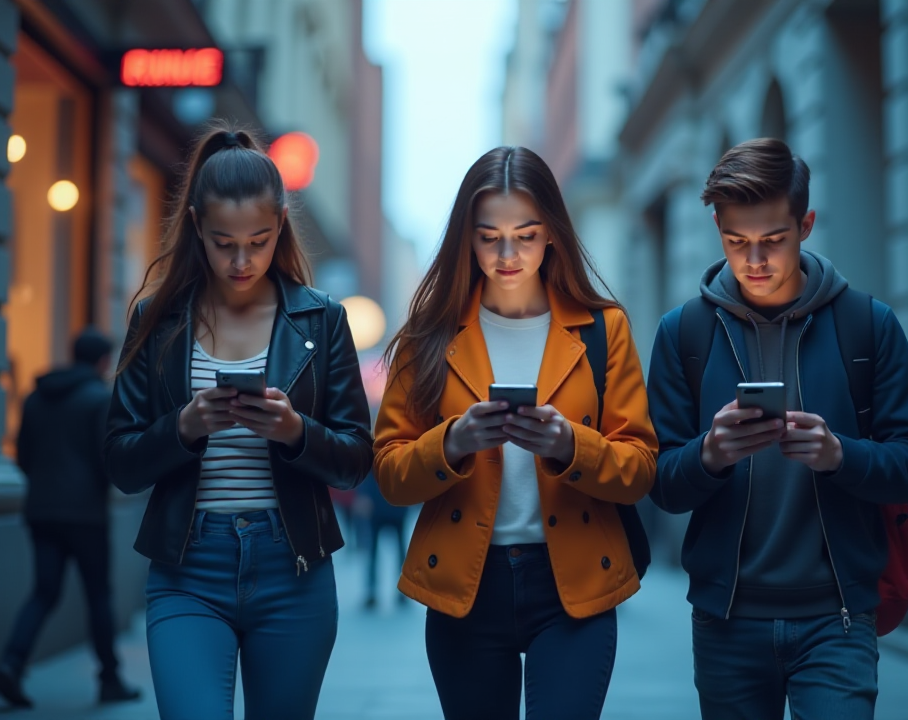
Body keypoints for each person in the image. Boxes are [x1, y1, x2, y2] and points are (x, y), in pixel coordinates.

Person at [646, 138, 908, 720]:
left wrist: (840, 455)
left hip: (838, 619)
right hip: (726, 620)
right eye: (736, 242)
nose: (755, 260)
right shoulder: (684, 334)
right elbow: (657, 482)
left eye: (773, 241)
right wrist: (709, 455)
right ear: (717, 227)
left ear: (805, 225)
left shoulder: (867, 325)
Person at [373, 146, 658, 720]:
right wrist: (451, 442)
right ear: (466, 238)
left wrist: (568, 445)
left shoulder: (604, 328)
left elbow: (641, 468)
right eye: (489, 237)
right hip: (465, 588)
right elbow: (389, 474)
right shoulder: (429, 333)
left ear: (552, 233)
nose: (507, 254)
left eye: (525, 235)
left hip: (573, 583)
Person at [104, 123, 373, 720]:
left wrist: (295, 432)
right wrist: (185, 425)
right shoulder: (159, 320)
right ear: (197, 225)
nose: (243, 260)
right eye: (224, 242)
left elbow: (358, 457)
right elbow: (120, 461)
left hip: (293, 568)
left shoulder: (321, 319)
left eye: (259, 239)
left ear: (280, 222)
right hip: (187, 567)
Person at [0, 328, 141, 708]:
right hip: (84, 513)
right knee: (98, 595)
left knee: (44, 591)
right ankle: (109, 679)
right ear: (103, 360)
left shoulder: (34, 398)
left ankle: (11, 663)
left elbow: (23, 455)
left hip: (40, 509)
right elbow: (102, 457)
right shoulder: (96, 399)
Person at [351, 469, 409, 609]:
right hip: (386, 506)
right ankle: (375, 591)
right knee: (382, 552)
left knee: (386, 552)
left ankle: (394, 591)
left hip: (388, 506)